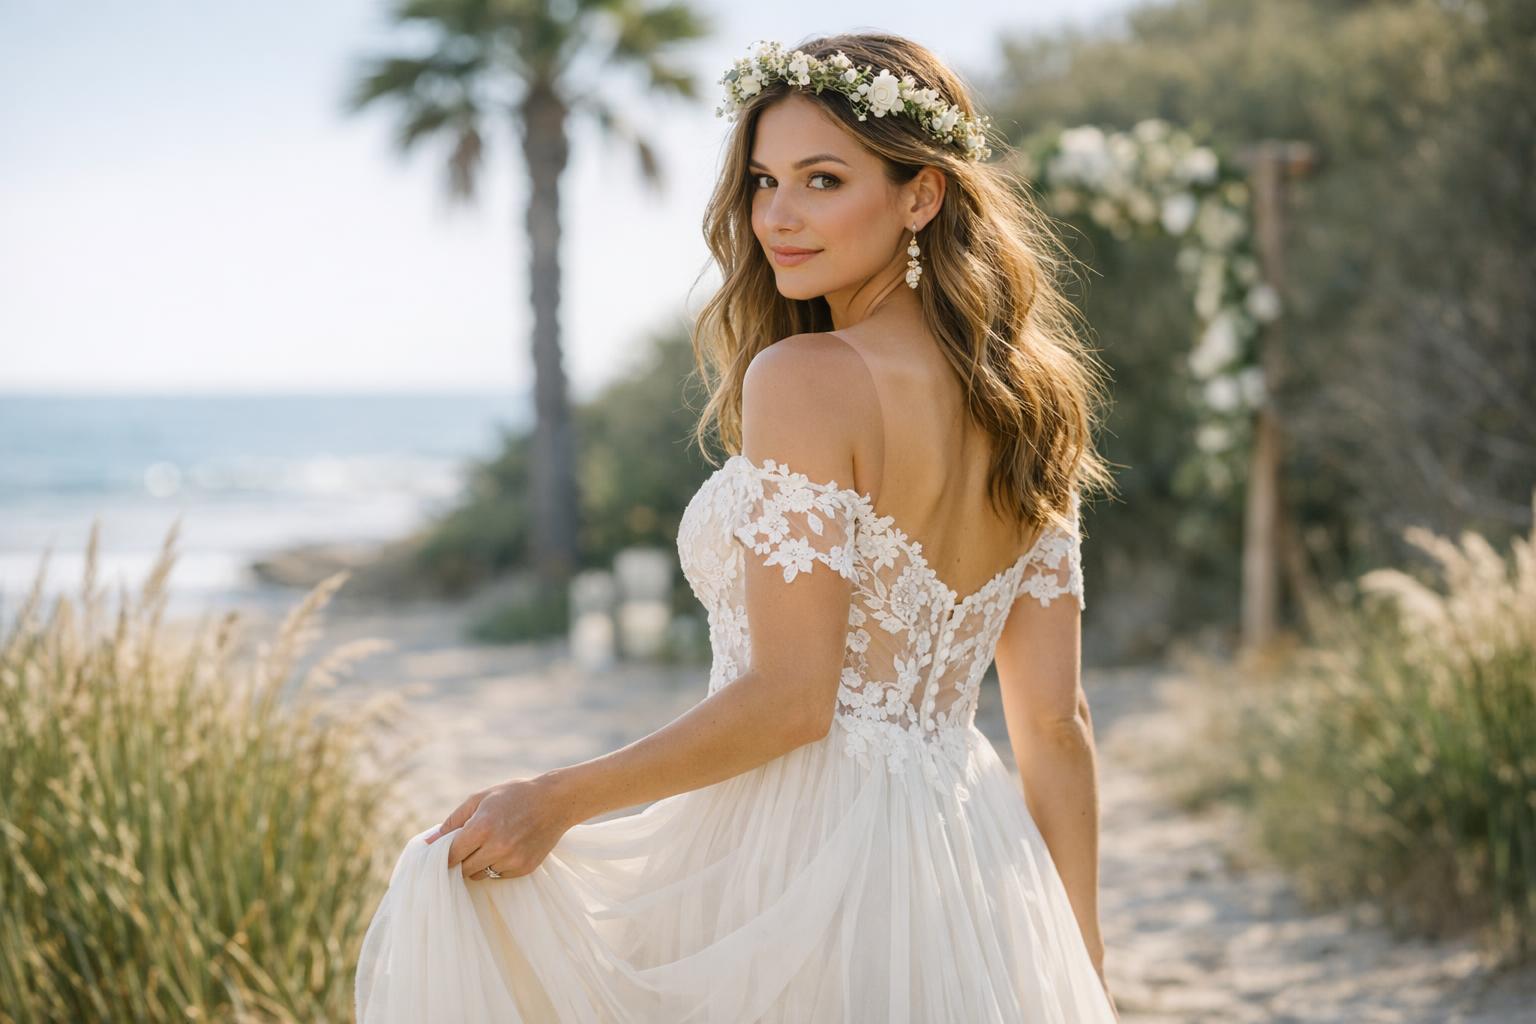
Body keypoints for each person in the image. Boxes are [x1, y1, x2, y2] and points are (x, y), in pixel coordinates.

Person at [355, 31, 1121, 1023]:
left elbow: (793, 701)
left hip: (796, 846)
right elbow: (1056, 727)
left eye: (822, 178)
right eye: (763, 181)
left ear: (920, 194)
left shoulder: (804, 378)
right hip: (967, 860)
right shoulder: (1037, 399)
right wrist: (1081, 959)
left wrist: (556, 797)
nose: (778, 216)